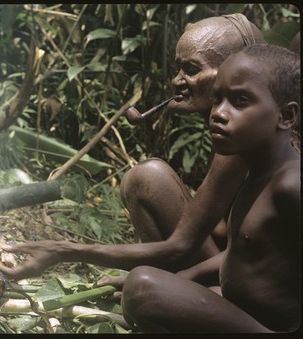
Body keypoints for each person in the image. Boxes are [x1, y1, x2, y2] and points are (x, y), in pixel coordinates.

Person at [0, 14, 265, 283]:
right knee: (148, 179)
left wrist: (63, 251)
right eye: (178, 69)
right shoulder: (236, 132)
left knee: (147, 180)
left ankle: (178, 292)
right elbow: (222, 229)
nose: (176, 81)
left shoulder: (241, 139)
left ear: (234, 73)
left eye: (192, 70)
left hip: (242, 286)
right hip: (226, 267)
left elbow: (191, 244)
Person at [121, 43, 300, 332]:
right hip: (239, 305)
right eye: (218, 100)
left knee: (143, 287)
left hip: (268, 327)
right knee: (151, 288)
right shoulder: (256, 169)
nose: (218, 112)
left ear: (286, 116)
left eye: (240, 101)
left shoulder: (291, 184)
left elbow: (180, 246)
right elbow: (241, 251)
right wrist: (181, 278)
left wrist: (64, 250)